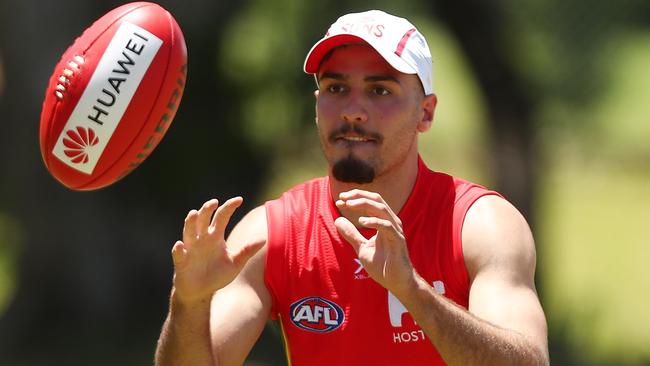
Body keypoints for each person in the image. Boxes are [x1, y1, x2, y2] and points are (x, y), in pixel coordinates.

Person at [154, 9, 549, 366]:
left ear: (425, 112)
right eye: (336, 88)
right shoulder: (270, 236)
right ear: (317, 102)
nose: (352, 110)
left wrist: (413, 292)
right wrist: (188, 303)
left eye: (380, 90)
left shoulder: (480, 226)